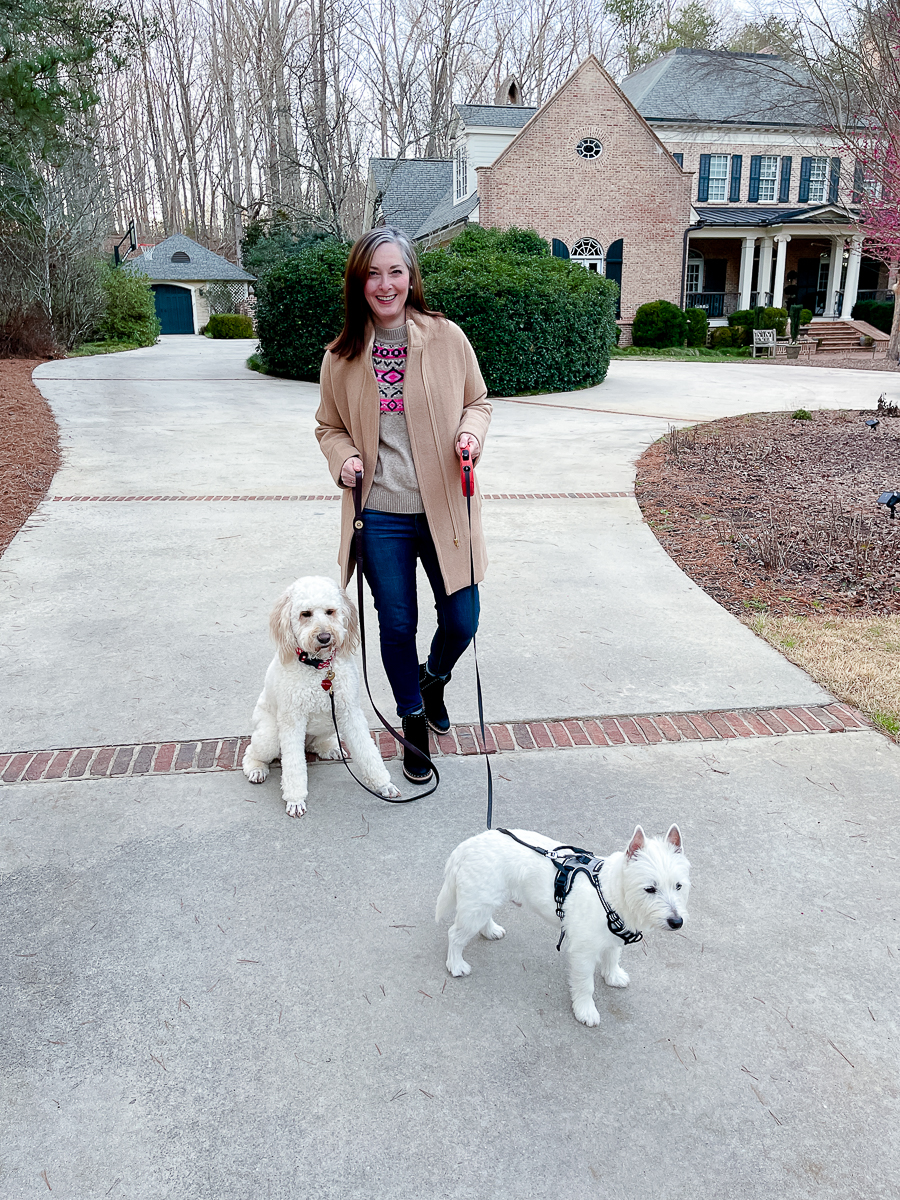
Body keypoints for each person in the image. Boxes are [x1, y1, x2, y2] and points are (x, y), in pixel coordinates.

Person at [315, 227, 491, 783]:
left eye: (396, 271)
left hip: (445, 509)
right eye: (373, 273)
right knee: (396, 625)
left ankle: (432, 679)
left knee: (463, 620)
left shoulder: (445, 337)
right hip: (381, 515)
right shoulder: (341, 355)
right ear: (358, 282)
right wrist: (341, 456)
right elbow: (328, 426)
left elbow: (478, 401)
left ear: (411, 277)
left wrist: (471, 434)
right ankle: (412, 720)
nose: (386, 284)